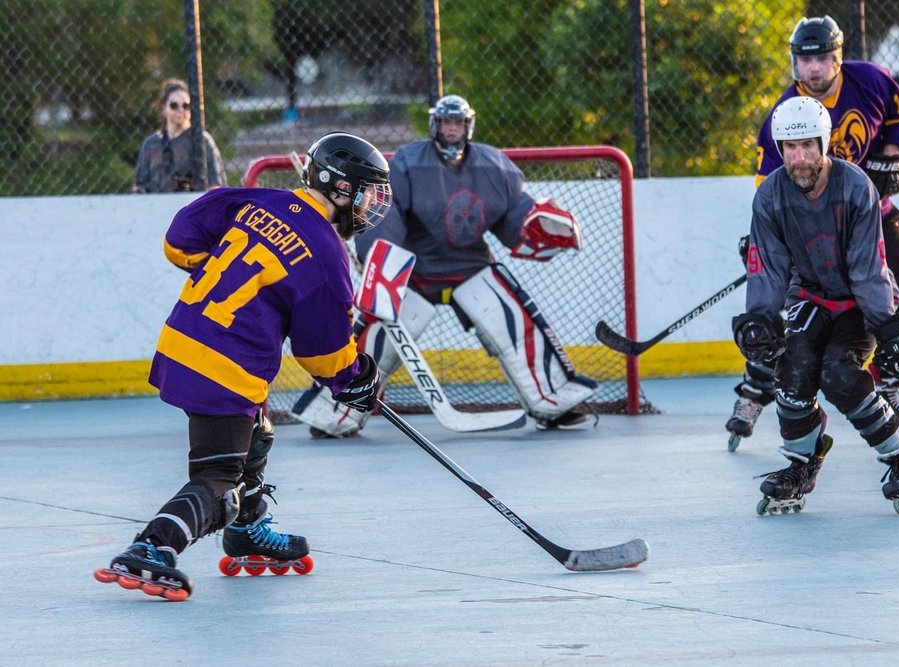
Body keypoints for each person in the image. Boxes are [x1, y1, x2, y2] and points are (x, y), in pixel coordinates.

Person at [94, 132, 393, 600]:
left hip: (181, 342)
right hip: (224, 368)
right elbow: (323, 354)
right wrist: (354, 379)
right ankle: (152, 547)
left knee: (259, 433)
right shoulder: (326, 253)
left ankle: (247, 529)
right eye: (368, 192)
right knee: (218, 484)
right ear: (341, 188)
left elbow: (179, 241)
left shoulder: (257, 199)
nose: (372, 204)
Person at [294, 94, 597, 437]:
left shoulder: (493, 166)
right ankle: (335, 412)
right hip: (415, 270)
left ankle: (552, 400)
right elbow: (388, 211)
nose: (452, 128)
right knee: (375, 336)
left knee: (515, 319)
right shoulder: (409, 162)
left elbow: (513, 214)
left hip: (470, 265)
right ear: (435, 124)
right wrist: (380, 256)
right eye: (446, 122)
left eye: (458, 122)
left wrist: (533, 225)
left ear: (468, 126)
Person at [727, 15, 899, 448]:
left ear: (838, 56)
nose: (814, 68)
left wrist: (894, 151)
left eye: (822, 57)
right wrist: (766, 235)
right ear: (794, 62)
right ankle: (755, 388)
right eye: (805, 60)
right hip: (811, 229)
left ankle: (891, 385)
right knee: (784, 312)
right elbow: (769, 185)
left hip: (870, 213)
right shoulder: (784, 113)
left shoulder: (870, 80)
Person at [735, 96, 899, 515]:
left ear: (824, 144)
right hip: (809, 297)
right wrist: (759, 319)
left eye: (808, 145)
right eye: (790, 148)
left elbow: (867, 268)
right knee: (792, 372)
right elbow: (768, 268)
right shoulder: (769, 196)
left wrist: (887, 326)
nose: (799, 158)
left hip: (859, 303)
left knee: (840, 374)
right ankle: (801, 464)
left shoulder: (855, 186)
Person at [132, 78, 227, 193]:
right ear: (163, 108)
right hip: (156, 202)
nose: (180, 110)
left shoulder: (201, 140)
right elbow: (140, 185)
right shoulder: (151, 144)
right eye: (174, 105)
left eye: (186, 106)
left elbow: (215, 185)